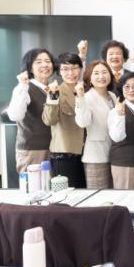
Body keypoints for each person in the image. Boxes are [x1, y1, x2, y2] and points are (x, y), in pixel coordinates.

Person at [7, 48, 56, 172]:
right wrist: (23, 85)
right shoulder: (24, 88)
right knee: (34, 183)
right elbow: (15, 115)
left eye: (47, 61)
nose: (44, 65)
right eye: (38, 62)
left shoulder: (52, 88)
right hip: (33, 150)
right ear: (30, 68)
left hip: (53, 148)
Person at [42, 53, 86, 188]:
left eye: (74, 68)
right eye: (65, 69)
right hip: (64, 154)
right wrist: (53, 95)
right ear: (59, 71)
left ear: (80, 69)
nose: (71, 73)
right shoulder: (56, 91)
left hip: (85, 153)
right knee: (64, 195)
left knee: (84, 194)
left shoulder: (86, 90)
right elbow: (49, 120)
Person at [75, 60, 117, 189]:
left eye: (104, 72)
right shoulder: (86, 97)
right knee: (98, 196)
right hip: (96, 157)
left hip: (115, 155)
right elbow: (82, 122)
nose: (101, 76)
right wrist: (80, 97)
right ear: (89, 78)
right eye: (96, 73)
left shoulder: (113, 96)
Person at [107, 71, 134, 189]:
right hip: (124, 163)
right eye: (127, 87)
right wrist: (120, 115)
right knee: (126, 198)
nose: (131, 90)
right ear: (121, 89)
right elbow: (117, 137)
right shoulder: (115, 111)